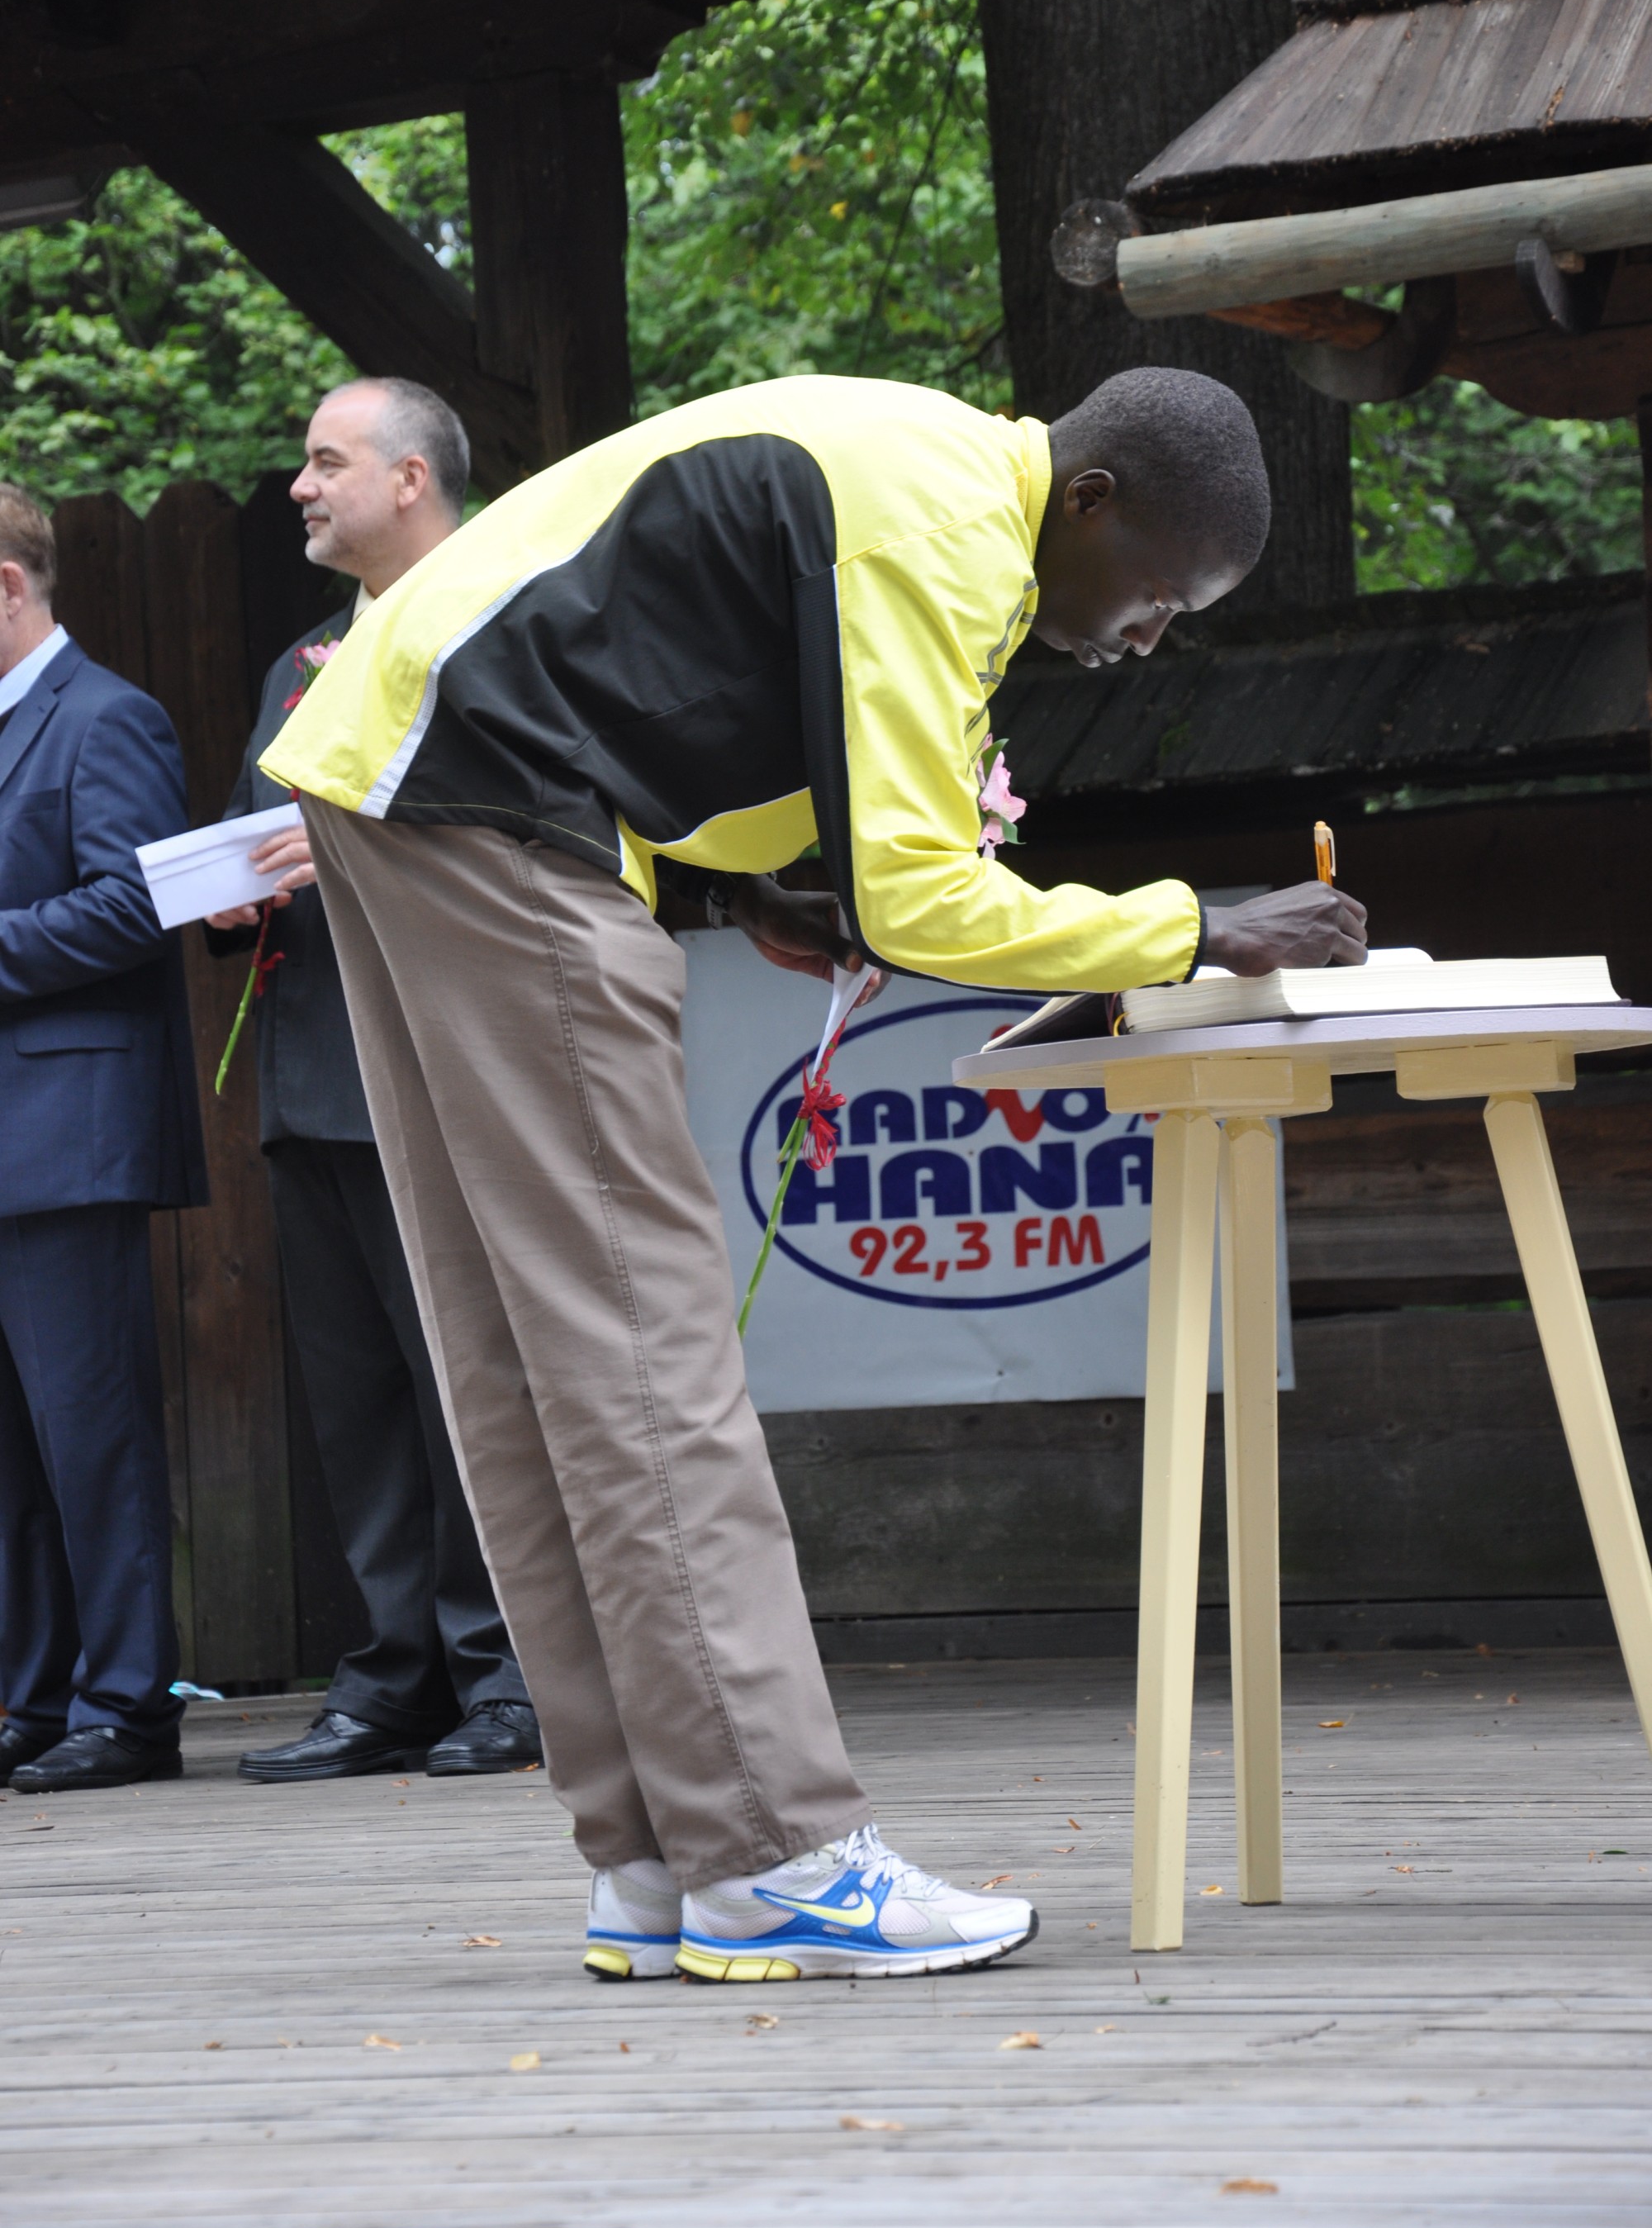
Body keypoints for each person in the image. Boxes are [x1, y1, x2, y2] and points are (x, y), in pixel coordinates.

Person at [259, 366, 1368, 1980]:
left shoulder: (915, 467)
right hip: (488, 796)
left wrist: (750, 885)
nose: (1147, 641)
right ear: (1092, 501)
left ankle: (656, 1856)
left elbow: (658, 663)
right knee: (647, 1355)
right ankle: (773, 1855)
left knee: (526, 1360)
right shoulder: (945, 531)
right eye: (1158, 599)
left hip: (409, 776)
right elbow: (918, 899)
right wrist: (1198, 925)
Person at [209, 380, 539, 1782]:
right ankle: (394, 1676)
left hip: (445, 1067)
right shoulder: (301, 664)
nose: (300, 484)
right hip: (311, 1073)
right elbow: (258, 833)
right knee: (358, 1406)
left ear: (410, 477)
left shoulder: (505, 619)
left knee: (471, 1387)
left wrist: (344, 846)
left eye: (324, 460)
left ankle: (510, 1674)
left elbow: (536, 832)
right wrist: (234, 892)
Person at [0, 484, 208, 1795]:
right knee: (13, 1460)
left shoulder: (107, 717)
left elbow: (137, 904)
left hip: (67, 1137)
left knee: (92, 1439)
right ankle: (32, 1701)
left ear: (7, 585)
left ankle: (128, 1710)